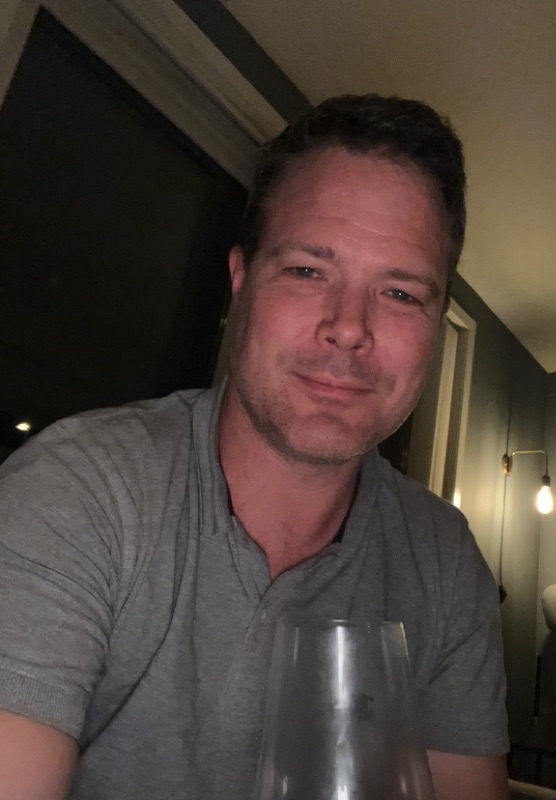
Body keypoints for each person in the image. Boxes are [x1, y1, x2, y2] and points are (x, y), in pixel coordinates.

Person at [0, 94, 509, 799]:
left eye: (399, 293)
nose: (349, 327)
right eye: (307, 270)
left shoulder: (446, 565)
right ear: (241, 281)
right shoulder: (76, 493)